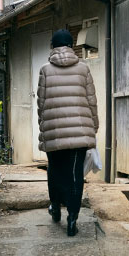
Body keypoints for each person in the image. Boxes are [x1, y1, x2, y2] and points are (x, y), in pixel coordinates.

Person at [37, 28, 98, 236]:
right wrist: (93, 126)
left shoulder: (45, 69)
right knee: (74, 175)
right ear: (72, 46)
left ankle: (55, 209)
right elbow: (92, 101)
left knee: (55, 171)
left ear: (53, 46)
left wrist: (43, 128)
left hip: (53, 131)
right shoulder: (83, 69)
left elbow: (41, 104)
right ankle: (72, 218)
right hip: (79, 133)